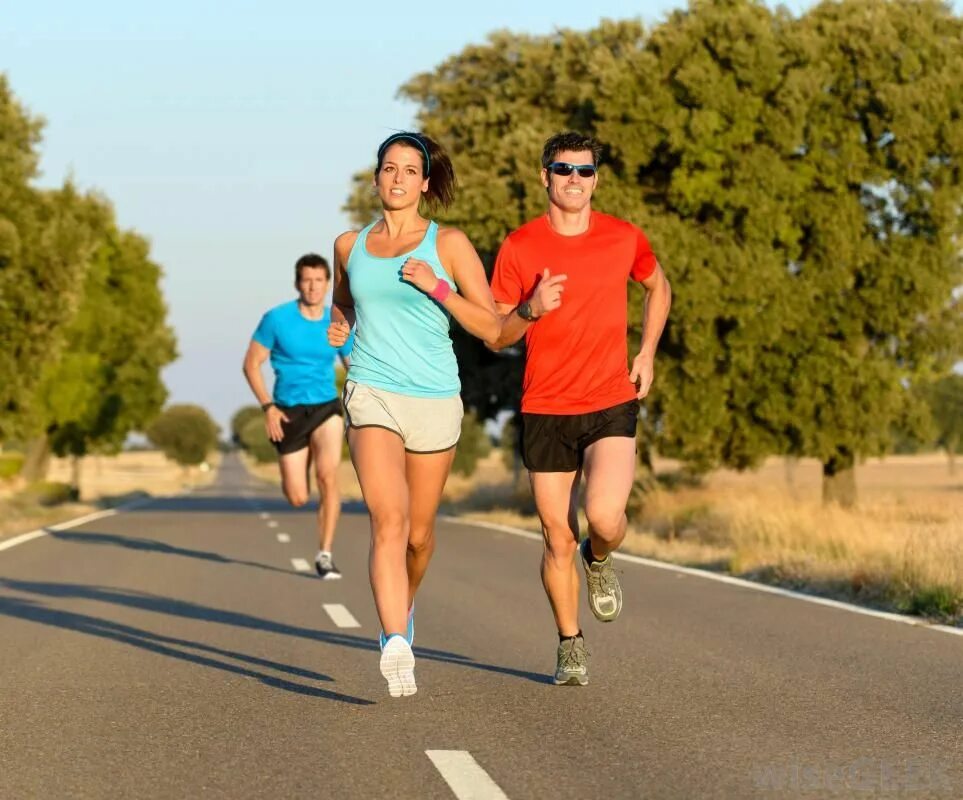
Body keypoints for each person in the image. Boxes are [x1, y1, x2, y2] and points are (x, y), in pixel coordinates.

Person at [488, 131, 672, 686]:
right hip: (546, 405)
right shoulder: (519, 247)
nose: (574, 180)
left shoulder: (622, 237)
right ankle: (570, 642)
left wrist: (647, 352)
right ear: (544, 176)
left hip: (610, 396)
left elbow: (657, 287)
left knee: (606, 518)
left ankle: (600, 556)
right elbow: (497, 332)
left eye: (585, 171)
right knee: (555, 537)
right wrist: (531, 308)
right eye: (563, 169)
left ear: (597, 178)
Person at [327, 131, 500, 698]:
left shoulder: (447, 243)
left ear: (425, 182)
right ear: (375, 178)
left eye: (409, 170)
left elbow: (493, 325)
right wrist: (343, 327)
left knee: (419, 538)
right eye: (388, 168)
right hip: (372, 390)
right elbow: (344, 301)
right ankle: (394, 636)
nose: (397, 178)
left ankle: (406, 607)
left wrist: (439, 287)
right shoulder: (349, 245)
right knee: (389, 520)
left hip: (434, 397)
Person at [243, 253, 354, 580]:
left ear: (327, 284)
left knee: (328, 477)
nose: (313, 286)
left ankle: (325, 554)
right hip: (286, 411)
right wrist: (268, 407)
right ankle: (299, 462)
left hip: (325, 407)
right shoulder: (276, 319)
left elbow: (352, 366)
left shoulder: (335, 323)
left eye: (319, 280)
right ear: (297, 283)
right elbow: (251, 364)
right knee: (297, 497)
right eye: (307, 280)